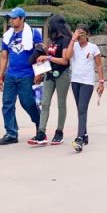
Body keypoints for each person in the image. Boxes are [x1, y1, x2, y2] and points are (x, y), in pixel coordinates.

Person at [0, 7, 43, 145]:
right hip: (11, 74)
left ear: (22, 19)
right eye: (10, 18)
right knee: (7, 104)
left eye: (14, 18)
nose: (11, 20)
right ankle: (11, 133)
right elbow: (4, 57)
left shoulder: (33, 34)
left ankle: (40, 125)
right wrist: (0, 76)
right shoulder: (7, 36)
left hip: (27, 74)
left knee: (27, 102)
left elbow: (40, 54)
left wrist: (38, 73)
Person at [30, 13, 74, 146]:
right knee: (45, 102)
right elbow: (50, 55)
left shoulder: (66, 39)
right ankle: (41, 132)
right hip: (49, 73)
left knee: (61, 103)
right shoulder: (52, 40)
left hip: (62, 73)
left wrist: (48, 58)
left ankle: (59, 131)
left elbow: (65, 60)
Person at [69, 24, 105, 152]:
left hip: (87, 82)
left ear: (87, 35)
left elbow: (99, 65)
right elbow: (67, 56)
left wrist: (101, 82)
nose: (80, 36)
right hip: (75, 81)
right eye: (78, 34)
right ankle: (84, 135)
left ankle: (79, 139)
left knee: (82, 108)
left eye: (82, 34)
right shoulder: (73, 45)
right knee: (80, 108)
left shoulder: (93, 48)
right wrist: (73, 39)